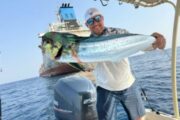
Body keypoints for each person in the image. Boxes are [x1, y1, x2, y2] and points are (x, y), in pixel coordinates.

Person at [84, 8, 166, 120]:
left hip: (128, 85)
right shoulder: (85, 45)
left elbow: (140, 44)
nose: (95, 23)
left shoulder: (120, 33)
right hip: (105, 88)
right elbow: (88, 67)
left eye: (97, 18)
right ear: (86, 25)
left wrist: (154, 43)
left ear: (102, 18)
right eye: (90, 21)